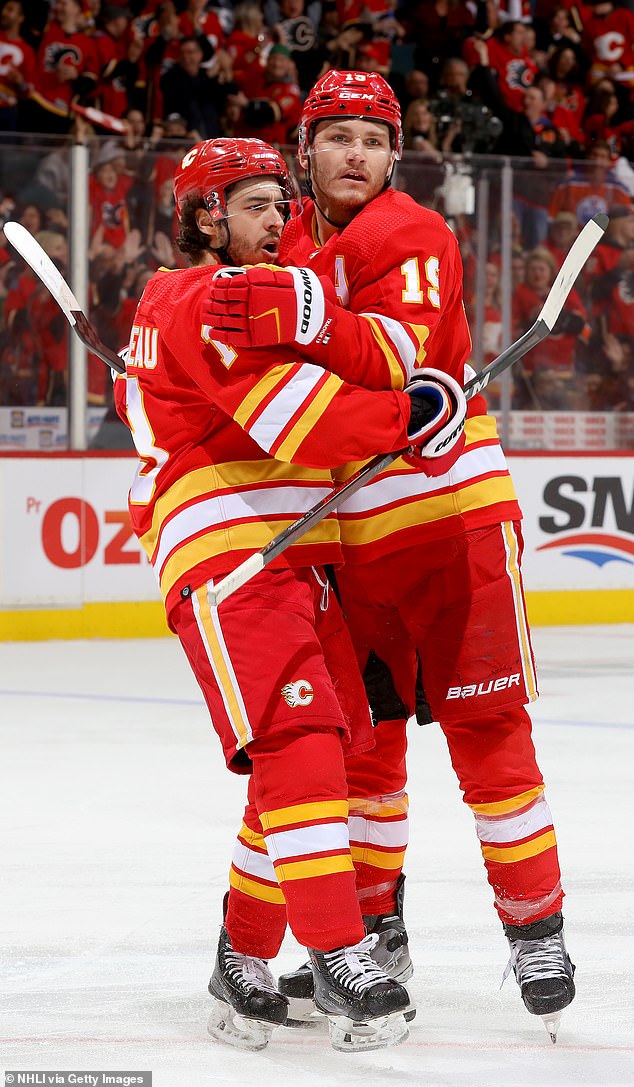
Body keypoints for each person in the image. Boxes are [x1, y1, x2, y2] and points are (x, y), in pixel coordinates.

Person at [206, 69, 577, 1042]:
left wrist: (300, 337)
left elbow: (397, 365)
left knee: (485, 727)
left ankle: (535, 927)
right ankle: (375, 930)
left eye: (374, 137)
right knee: (363, 748)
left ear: (394, 152)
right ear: (306, 149)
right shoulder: (285, 243)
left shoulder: (408, 233)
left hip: (448, 518)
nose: (358, 153)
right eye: (338, 136)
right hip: (350, 536)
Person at [114, 136, 466, 1052]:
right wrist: (412, 416)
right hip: (230, 555)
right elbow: (294, 418)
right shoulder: (202, 295)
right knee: (303, 742)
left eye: (283, 203)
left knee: (328, 753)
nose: (281, 222)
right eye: (259, 206)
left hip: (289, 553)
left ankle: (243, 948)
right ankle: (337, 950)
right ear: (203, 215)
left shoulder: (181, 299)